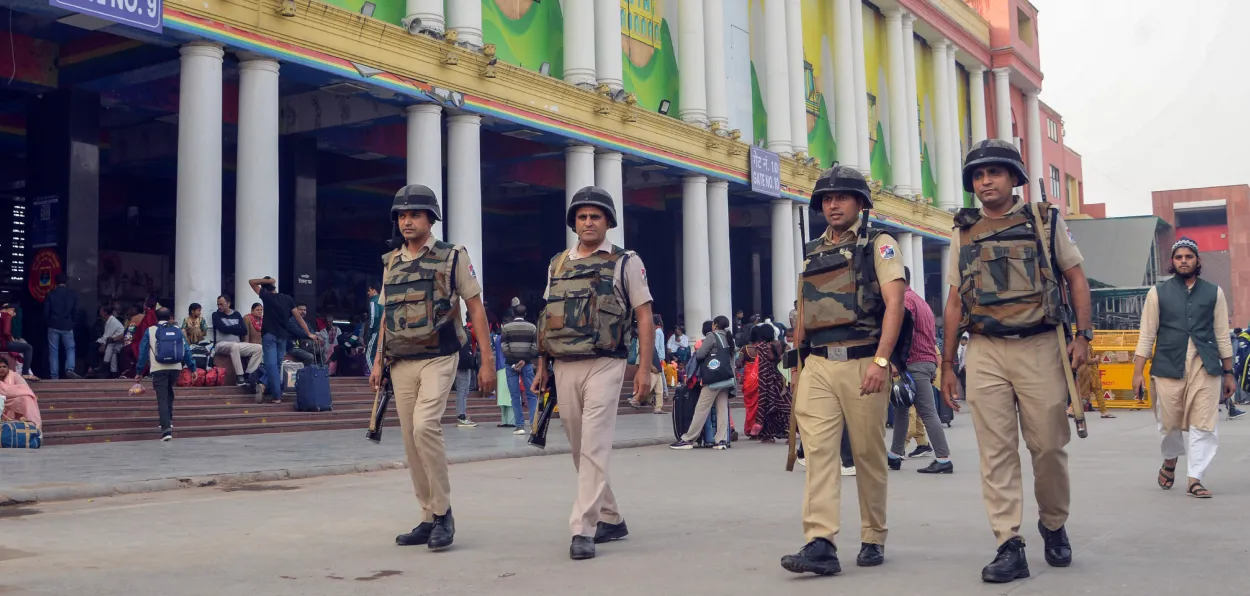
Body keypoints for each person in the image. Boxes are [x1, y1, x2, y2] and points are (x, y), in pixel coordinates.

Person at [939, 139, 1089, 583]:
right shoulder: (962, 231)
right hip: (984, 348)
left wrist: (1084, 336)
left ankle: (1054, 523)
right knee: (996, 452)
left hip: (1041, 345)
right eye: (978, 175)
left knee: (1048, 447)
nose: (985, 181)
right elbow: (952, 301)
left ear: (1014, 178)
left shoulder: (1044, 221)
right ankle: (1009, 543)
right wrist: (947, 364)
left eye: (995, 173)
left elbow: (1076, 278)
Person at [779, 165, 906, 576]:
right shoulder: (814, 250)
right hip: (817, 363)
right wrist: (796, 364)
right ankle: (821, 542)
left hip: (864, 361)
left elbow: (895, 304)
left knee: (868, 454)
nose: (833, 205)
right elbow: (804, 308)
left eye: (842, 198)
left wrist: (882, 361)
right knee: (818, 455)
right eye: (827, 199)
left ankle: (874, 534)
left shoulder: (879, 245)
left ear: (860, 203)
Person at [370, 184, 495, 553]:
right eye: (402, 215)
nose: (407, 221)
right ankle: (428, 516)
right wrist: (378, 359)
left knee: (425, 427)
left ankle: (444, 514)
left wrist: (487, 360)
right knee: (410, 441)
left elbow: (476, 308)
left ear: (430, 219)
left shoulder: (452, 256)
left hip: (440, 356)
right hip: (400, 360)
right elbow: (384, 316)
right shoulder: (391, 261)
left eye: (415, 215)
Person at [531, 185, 654, 561]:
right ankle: (611, 518)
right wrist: (542, 365)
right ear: (574, 222)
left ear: (608, 222)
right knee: (580, 446)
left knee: (595, 443)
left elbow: (645, 316)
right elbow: (545, 318)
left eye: (595, 216)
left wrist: (644, 369)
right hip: (564, 364)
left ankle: (583, 528)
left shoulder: (625, 261)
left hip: (607, 361)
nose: (588, 222)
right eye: (582, 216)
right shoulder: (558, 263)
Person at [1132, 237, 1236, 499]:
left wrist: (1228, 372)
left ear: (1197, 260)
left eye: (1189, 257)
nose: (1184, 261)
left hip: (1205, 365)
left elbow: (1222, 335)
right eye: (1179, 257)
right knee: (1169, 424)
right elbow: (1147, 334)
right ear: (1172, 262)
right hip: (1168, 364)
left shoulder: (1215, 292)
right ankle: (1170, 459)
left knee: (1204, 424)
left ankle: (1195, 478)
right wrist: (1137, 372)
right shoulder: (1157, 293)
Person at [888, 267, 953, 474]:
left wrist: (895, 362)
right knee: (901, 408)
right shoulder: (920, 301)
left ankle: (943, 459)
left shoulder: (905, 301)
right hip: (925, 360)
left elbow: (899, 332)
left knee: (926, 411)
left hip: (914, 362)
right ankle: (895, 455)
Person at [249, 276, 319, 404]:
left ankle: (275, 394)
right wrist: (308, 333)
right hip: (283, 337)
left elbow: (251, 282)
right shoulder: (288, 299)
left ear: (265, 288)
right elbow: (298, 317)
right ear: (275, 287)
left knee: (271, 366)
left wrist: (268, 281)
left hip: (269, 336)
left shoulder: (266, 296)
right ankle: (267, 387)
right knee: (276, 365)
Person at [671, 317, 735, 449]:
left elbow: (700, 354)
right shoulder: (729, 338)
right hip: (726, 379)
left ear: (715, 325)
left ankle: (688, 439)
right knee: (722, 410)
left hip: (713, 379)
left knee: (701, 409)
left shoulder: (712, 336)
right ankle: (721, 440)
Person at [136, 307, 197, 441]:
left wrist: (139, 371)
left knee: (162, 397)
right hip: (175, 368)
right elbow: (186, 350)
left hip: (158, 368)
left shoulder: (151, 331)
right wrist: (192, 368)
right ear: (170, 317)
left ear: (156, 318)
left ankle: (166, 430)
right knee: (169, 393)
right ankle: (167, 419)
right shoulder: (177, 331)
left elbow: (142, 352)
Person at [500, 304, 539, 434]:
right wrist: (524, 360)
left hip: (510, 365)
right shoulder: (532, 328)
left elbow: (504, 345)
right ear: (525, 314)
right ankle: (534, 426)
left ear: (513, 314)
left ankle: (520, 426)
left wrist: (513, 360)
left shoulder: (506, 328)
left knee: (515, 396)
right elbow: (535, 347)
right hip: (527, 364)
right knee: (532, 395)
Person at [749, 323, 791, 443]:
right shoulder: (781, 344)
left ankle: (768, 435)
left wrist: (762, 384)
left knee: (767, 405)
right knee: (785, 406)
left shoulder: (761, 347)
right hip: (781, 378)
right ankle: (790, 433)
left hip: (767, 380)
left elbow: (762, 367)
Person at [212, 295, 263, 389]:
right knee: (234, 346)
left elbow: (244, 331)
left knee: (259, 348)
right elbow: (222, 328)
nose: (219, 307)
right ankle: (240, 377)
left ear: (228, 304)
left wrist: (230, 329)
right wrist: (236, 328)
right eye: (218, 304)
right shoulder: (216, 315)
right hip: (221, 345)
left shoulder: (237, 314)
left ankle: (249, 374)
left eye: (221, 304)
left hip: (237, 344)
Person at [44, 272, 80, 379]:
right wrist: (72, 322)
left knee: (53, 351)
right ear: (67, 282)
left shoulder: (51, 294)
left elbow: (46, 311)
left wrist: (48, 322)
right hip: (67, 325)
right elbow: (75, 311)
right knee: (70, 348)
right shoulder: (73, 294)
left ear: (56, 282)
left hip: (53, 325)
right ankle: (69, 369)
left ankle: (54, 376)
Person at [0, 358, 40, 429]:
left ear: (8, 367)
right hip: (1, 403)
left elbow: (24, 389)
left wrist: (9, 392)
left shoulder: (15, 376)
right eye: (0, 367)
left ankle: (34, 427)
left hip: (13, 401)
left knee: (27, 398)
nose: (2, 369)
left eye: (4, 367)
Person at [1, 303, 37, 381]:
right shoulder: (6, 315)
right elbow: (6, 332)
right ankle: (25, 373)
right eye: (14, 312)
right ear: (11, 310)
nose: (14, 314)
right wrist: (11, 339)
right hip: (2, 344)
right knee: (28, 348)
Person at [95, 306, 124, 379]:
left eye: (101, 311)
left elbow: (107, 336)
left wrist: (99, 343)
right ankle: (113, 372)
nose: (100, 313)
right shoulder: (108, 321)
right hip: (114, 342)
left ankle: (104, 368)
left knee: (109, 347)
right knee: (111, 348)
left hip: (120, 344)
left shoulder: (113, 321)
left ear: (105, 313)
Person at [365, 280, 383, 374]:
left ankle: (375, 376)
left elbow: (374, 317)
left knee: (369, 355)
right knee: (381, 355)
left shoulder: (373, 301)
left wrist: (370, 332)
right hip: (385, 332)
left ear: (374, 290)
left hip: (376, 332)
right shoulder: (383, 300)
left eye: (369, 290)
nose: (368, 293)